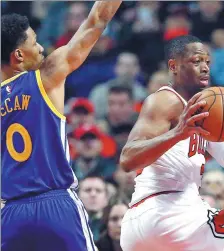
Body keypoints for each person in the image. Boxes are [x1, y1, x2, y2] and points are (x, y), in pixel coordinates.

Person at [119, 35, 224, 251]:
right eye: (196, 61)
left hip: (148, 226)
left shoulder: (204, 109)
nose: (205, 68)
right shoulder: (165, 101)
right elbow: (128, 159)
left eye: (207, 62)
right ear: (173, 66)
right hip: (168, 210)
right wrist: (178, 133)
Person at [1, 2, 122, 251]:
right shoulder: (46, 77)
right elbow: (96, 20)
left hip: (11, 214)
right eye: (34, 43)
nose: (42, 47)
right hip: (55, 203)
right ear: (19, 55)